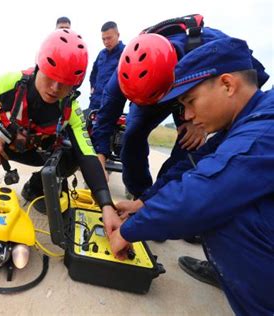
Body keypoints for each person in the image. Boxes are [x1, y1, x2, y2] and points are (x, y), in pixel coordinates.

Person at [107, 37, 274, 315]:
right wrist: (144, 203)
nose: (186, 114)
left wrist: (128, 231)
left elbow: (203, 193)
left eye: (190, 101)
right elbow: (194, 166)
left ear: (228, 85)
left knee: (224, 214)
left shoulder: (262, 132)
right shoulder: (248, 119)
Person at [0, 29, 120, 226]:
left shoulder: (71, 108)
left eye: (65, 84)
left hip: (37, 153)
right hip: (0, 146)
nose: (55, 88)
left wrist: (106, 205)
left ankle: (35, 187)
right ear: (39, 67)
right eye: (51, 76)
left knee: (74, 155)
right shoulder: (11, 81)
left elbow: (88, 155)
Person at [91, 15, 269, 200]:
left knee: (190, 143)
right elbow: (105, 116)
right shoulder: (123, 74)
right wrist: (100, 155)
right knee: (132, 134)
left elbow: (253, 77)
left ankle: (162, 197)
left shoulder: (209, 44)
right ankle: (141, 195)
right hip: (153, 93)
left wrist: (200, 123)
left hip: (185, 85)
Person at [88, 21, 125, 113]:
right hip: (94, 102)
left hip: (112, 104)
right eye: (103, 39)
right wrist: (92, 88)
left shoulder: (125, 53)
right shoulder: (101, 54)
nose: (106, 42)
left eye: (109, 38)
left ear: (118, 35)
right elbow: (94, 73)